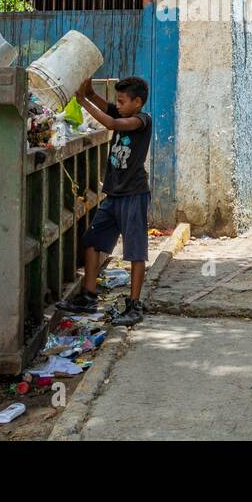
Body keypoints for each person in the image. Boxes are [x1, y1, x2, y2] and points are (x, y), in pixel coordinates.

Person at [60, 76, 153, 327]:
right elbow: (108, 109)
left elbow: (111, 121)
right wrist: (88, 92)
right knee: (91, 241)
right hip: (113, 195)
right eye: (117, 101)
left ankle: (134, 305)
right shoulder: (123, 111)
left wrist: (83, 103)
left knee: (135, 252)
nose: (118, 105)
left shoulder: (142, 120)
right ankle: (89, 295)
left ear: (138, 102)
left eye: (122, 101)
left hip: (134, 195)